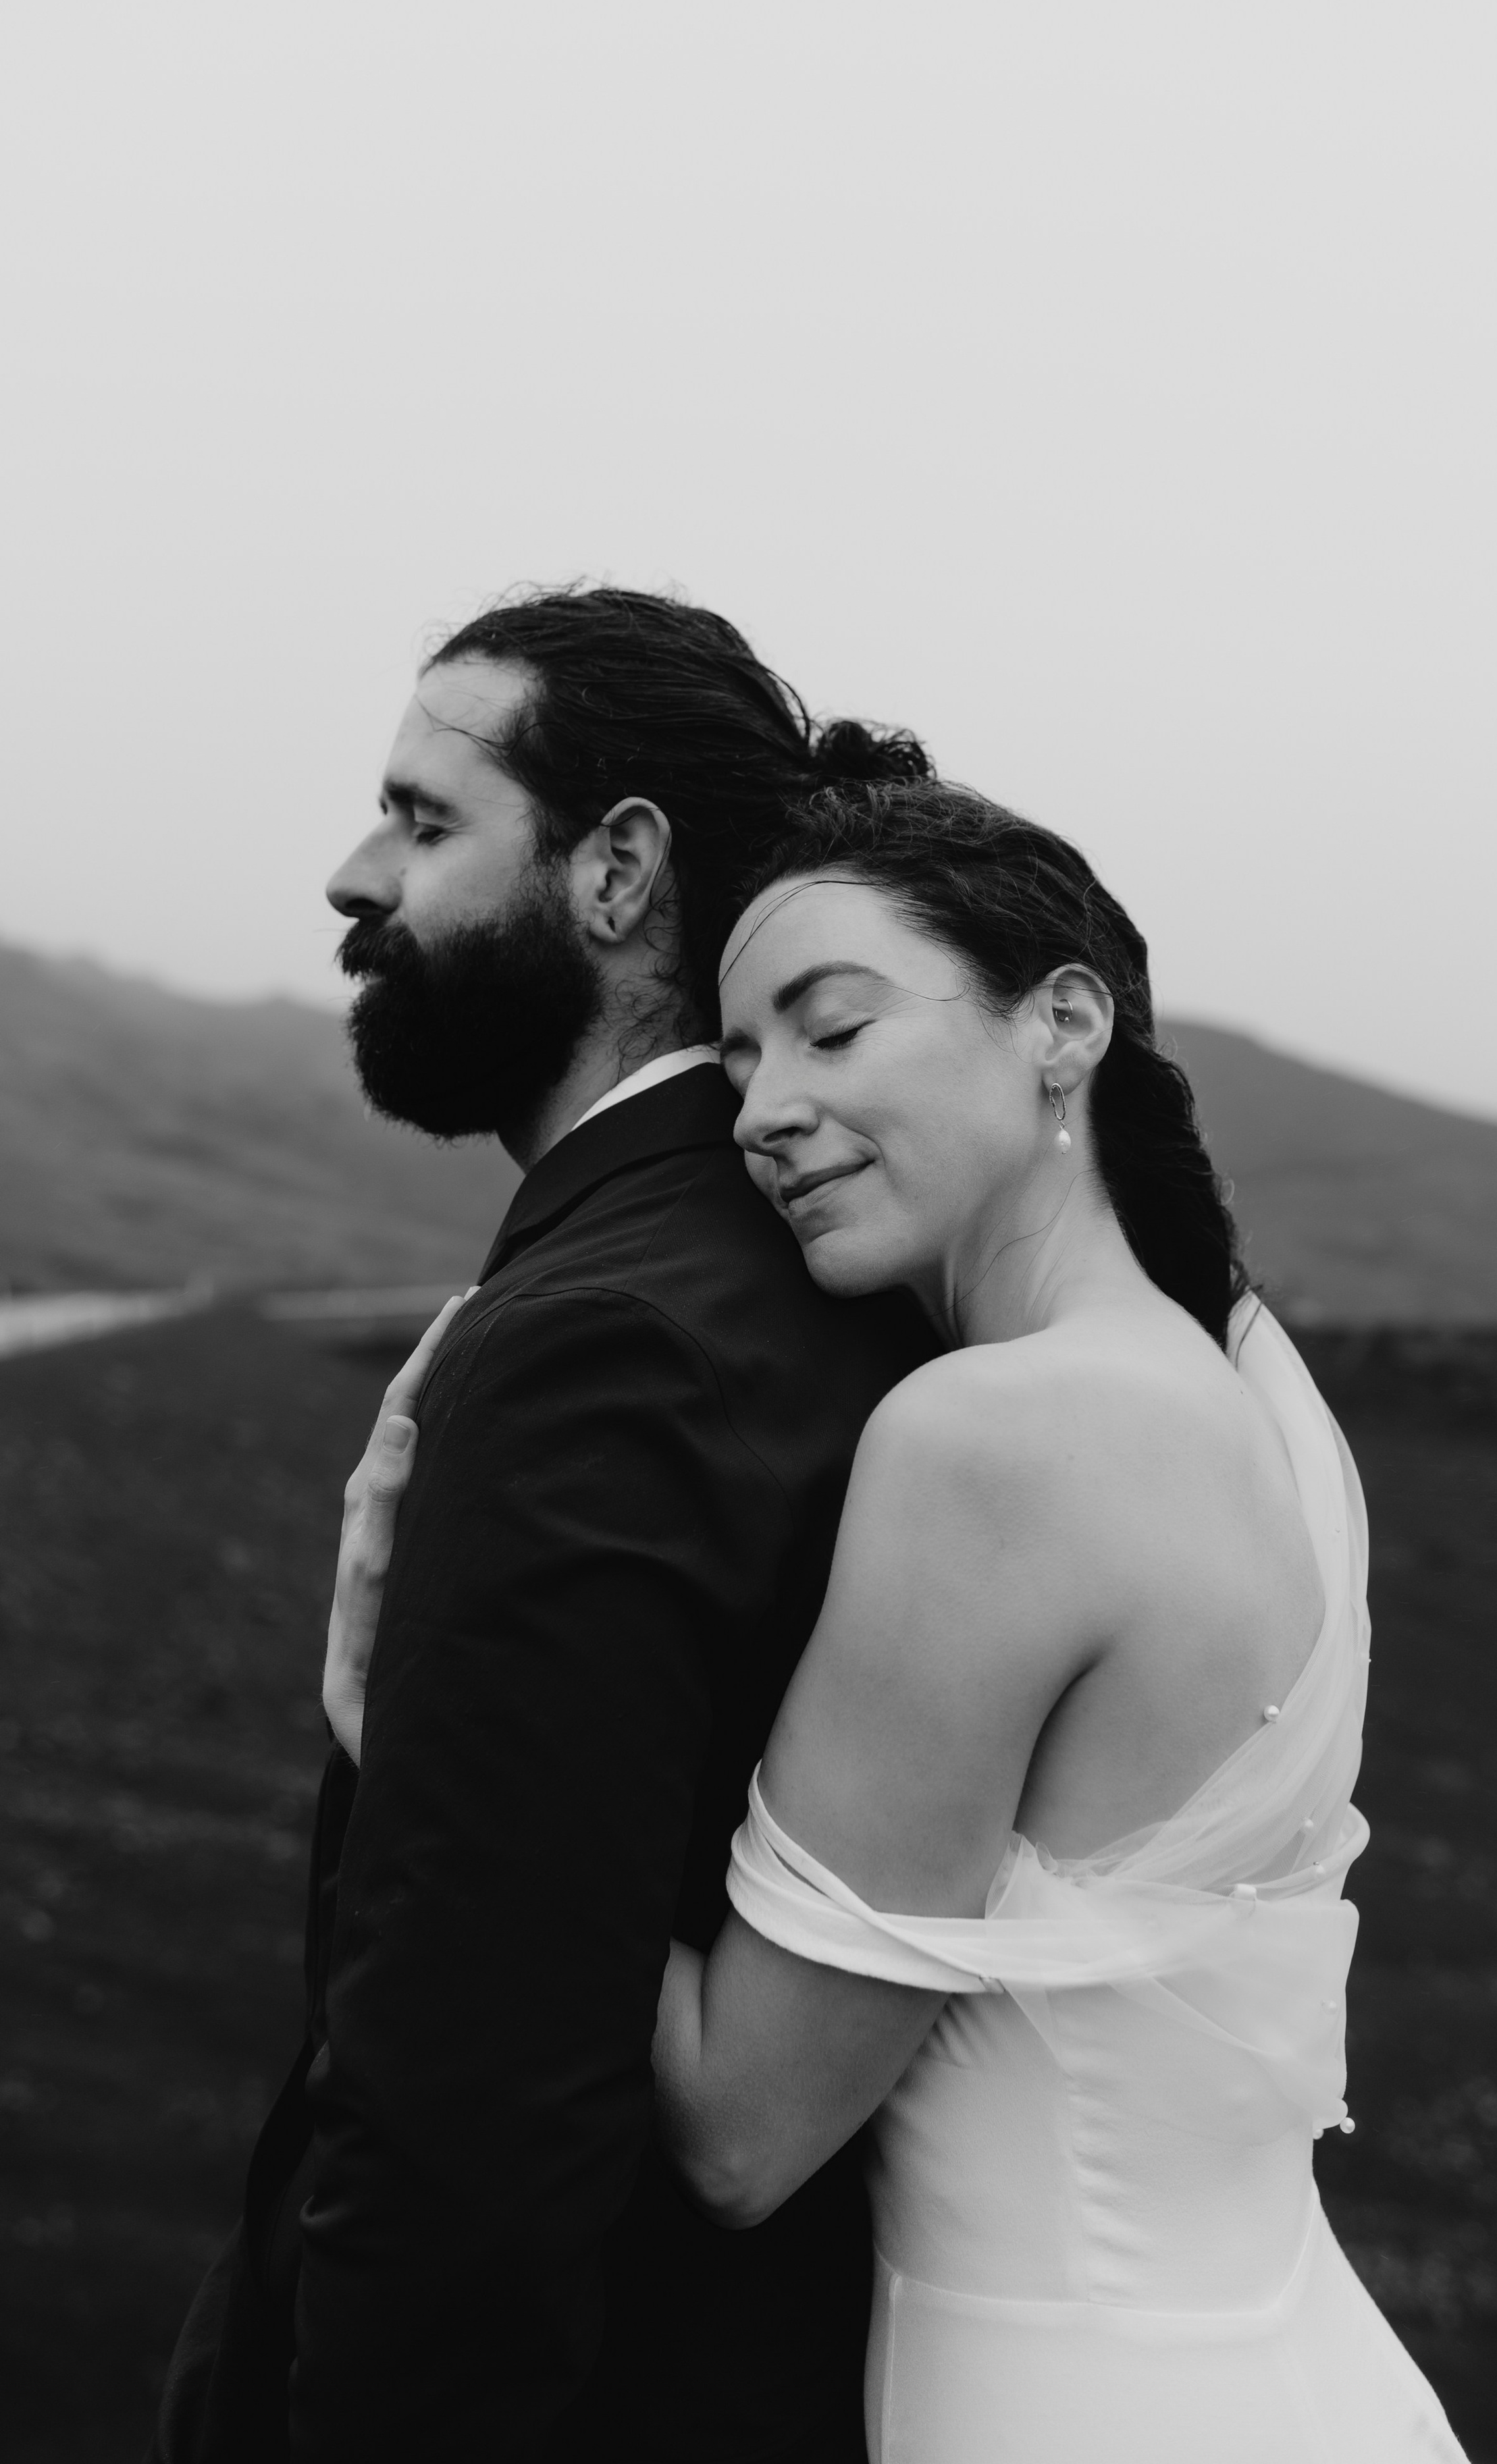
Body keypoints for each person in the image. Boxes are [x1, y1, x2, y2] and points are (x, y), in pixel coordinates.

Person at [146, 587, 935, 2464]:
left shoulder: (598, 1343)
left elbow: (472, 2114)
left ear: (617, 872)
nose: (355, 877)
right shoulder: (804, 1271)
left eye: (425, 822)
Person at [638, 780, 1471, 2460]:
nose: (761, 1111)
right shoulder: (1249, 1398)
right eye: (737, 1061)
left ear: (1062, 1023)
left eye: (831, 1030)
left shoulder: (994, 1439)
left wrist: (447, 1741)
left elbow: (742, 2129)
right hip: (1295, 2374)